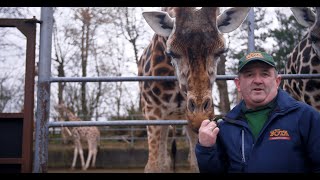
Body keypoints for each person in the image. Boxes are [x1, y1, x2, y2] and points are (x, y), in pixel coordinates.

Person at [195, 51, 320, 173]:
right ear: (238, 84)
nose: (258, 80)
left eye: (265, 74)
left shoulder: (306, 117)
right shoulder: (225, 126)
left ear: (277, 81)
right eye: (249, 75)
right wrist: (206, 149)